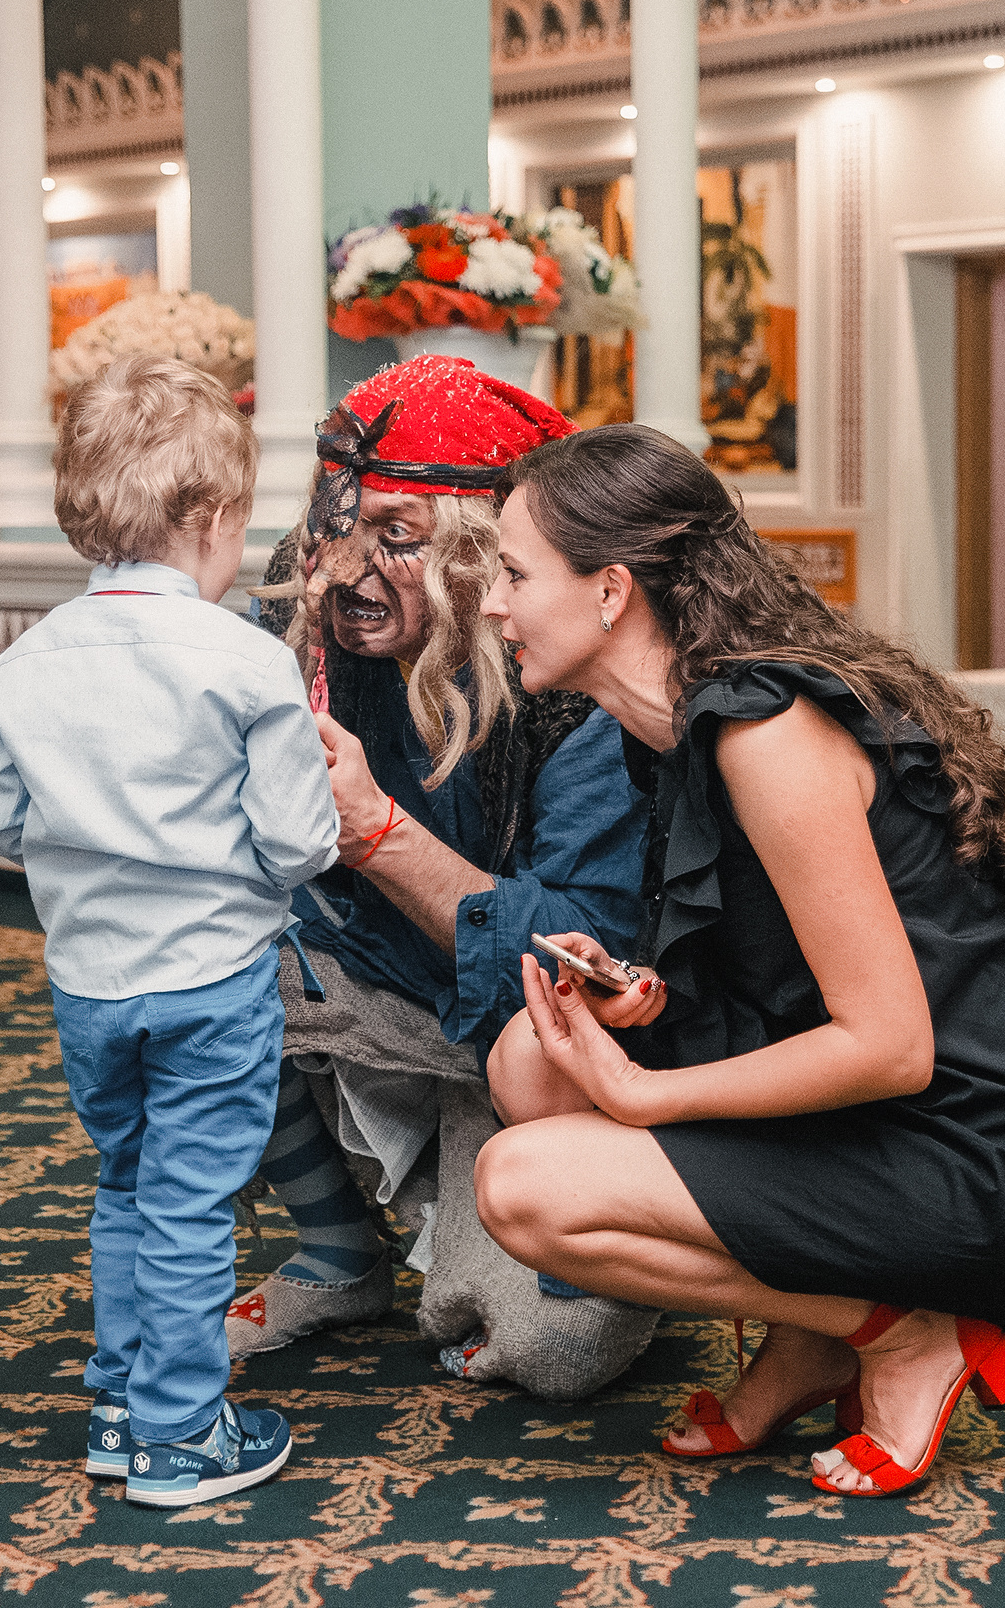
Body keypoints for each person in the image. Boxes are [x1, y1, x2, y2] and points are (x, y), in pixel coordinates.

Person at [471, 423, 1005, 1497]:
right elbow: (778, 962)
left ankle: (904, 1333)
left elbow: (892, 1047)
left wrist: (647, 1091)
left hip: (964, 1149)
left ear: (611, 590)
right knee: (531, 1058)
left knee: (520, 1186)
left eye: (514, 574)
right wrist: (645, 992)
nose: (492, 604)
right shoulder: (671, 729)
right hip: (864, 1118)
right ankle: (817, 1333)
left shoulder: (767, 733)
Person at [0, 354, 340, 1508]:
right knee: (190, 1204)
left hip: (87, 982)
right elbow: (299, 841)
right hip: (212, 983)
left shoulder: (22, 666)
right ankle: (180, 1435)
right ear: (215, 519)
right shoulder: (246, 661)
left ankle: (121, 1403)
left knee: (126, 1185)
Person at [234, 355, 653, 1400]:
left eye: (396, 536)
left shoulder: (577, 690)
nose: (344, 572)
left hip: (532, 1046)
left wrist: (378, 833)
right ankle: (339, 1247)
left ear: (484, 554)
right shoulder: (306, 614)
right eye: (336, 529)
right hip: (367, 979)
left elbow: (572, 965)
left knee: (554, 1351)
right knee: (169, 967)